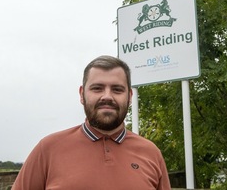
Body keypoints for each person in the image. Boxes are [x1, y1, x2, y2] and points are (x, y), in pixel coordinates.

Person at [12, 55, 172, 190]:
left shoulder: (151, 153)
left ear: (129, 97)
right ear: (82, 94)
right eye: (97, 88)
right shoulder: (47, 149)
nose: (107, 96)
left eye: (117, 89)